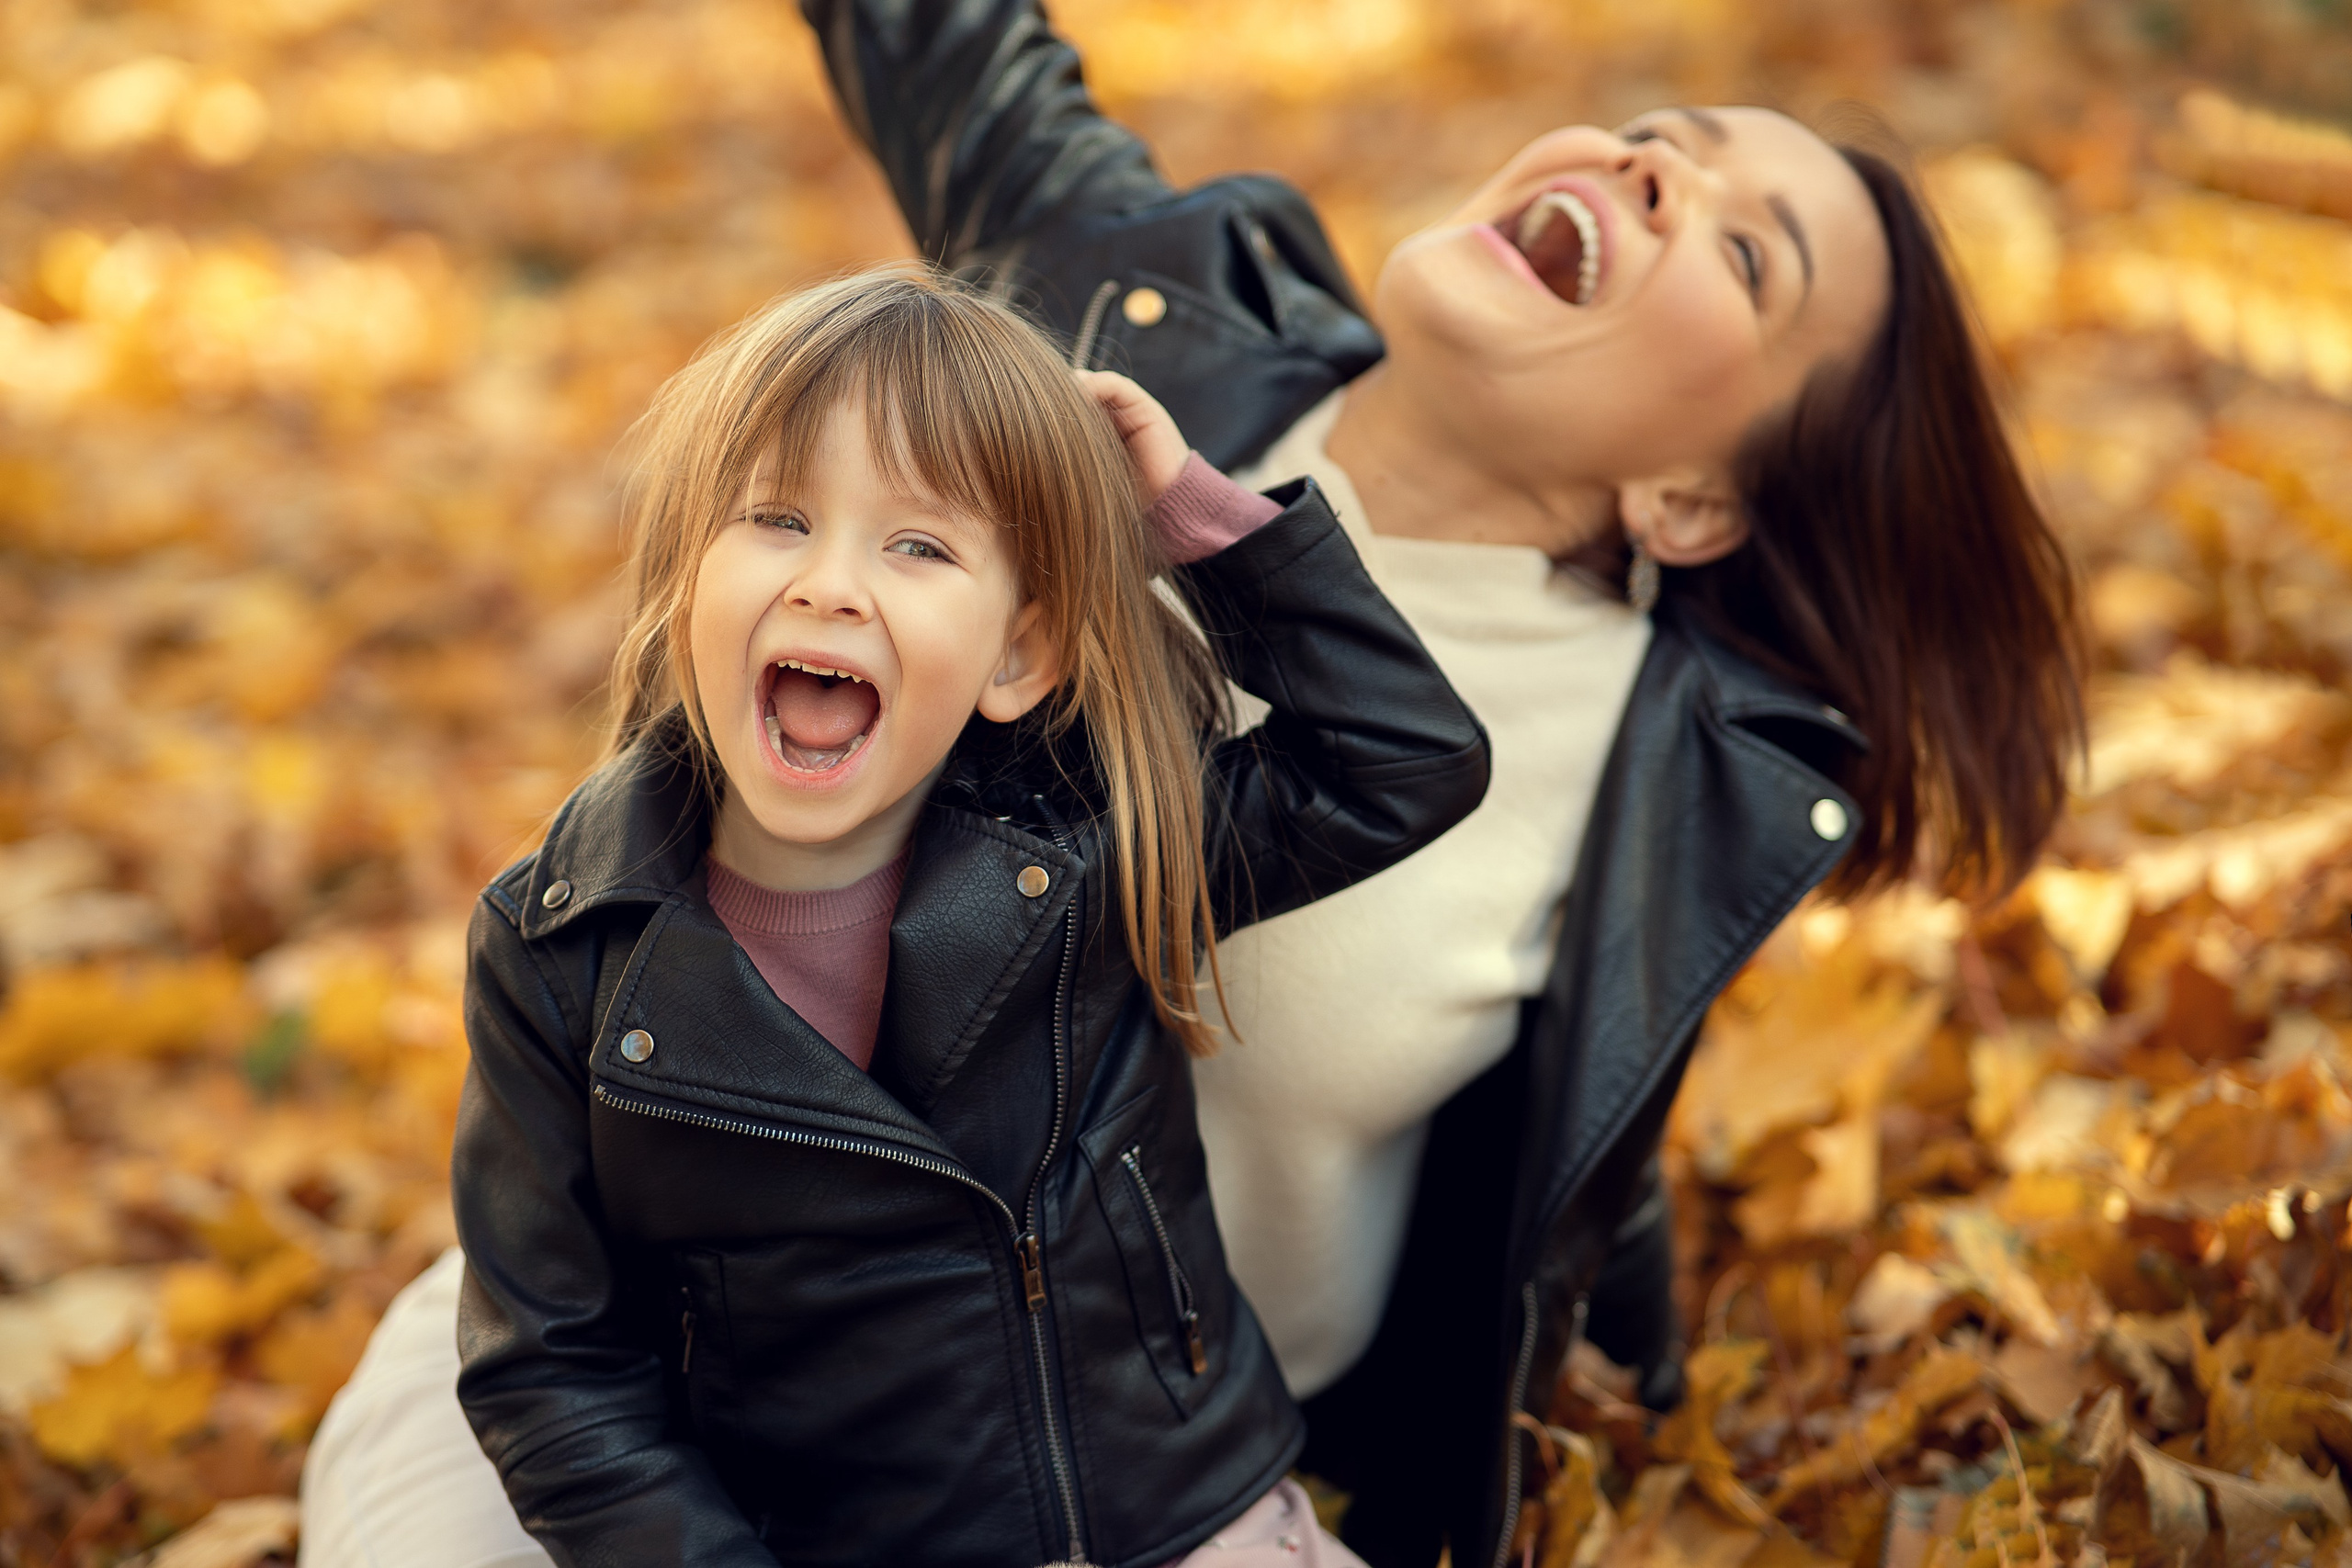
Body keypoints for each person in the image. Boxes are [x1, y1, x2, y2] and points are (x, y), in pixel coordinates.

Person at [300, 6, 2082, 1566]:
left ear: (1697, 496)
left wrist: (1634, 1402)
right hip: (670, 1412)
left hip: (1138, 1490)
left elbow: (1567, 1177)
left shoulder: (1662, 779)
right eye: (1648, 142)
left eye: (1743, 251)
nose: (1638, 176)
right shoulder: (1129, 308)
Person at [439, 267, 1487, 1567]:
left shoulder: (1095, 848)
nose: (829, 586)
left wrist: (1188, 516)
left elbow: (1403, 760)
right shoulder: (563, 953)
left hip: (1189, 1516)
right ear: (683, 577)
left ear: (1017, 657)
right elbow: (554, 1370)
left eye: (919, 546)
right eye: (775, 518)